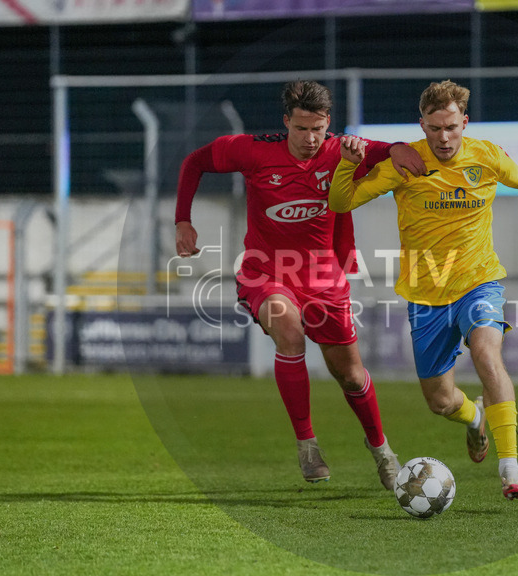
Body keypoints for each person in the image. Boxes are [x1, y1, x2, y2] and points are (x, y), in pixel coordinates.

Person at [329, 80, 518, 500]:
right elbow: (341, 203)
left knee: (486, 352)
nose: (444, 138)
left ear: (465, 122)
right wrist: (345, 164)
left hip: (478, 281)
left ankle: (510, 469)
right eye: (434, 128)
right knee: (441, 401)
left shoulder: (486, 156)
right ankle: (474, 417)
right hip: (425, 296)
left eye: (451, 127)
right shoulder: (405, 161)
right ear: (422, 124)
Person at [173, 80, 427, 489]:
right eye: (301, 129)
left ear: (329, 124)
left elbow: (387, 149)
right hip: (266, 272)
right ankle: (307, 445)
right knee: (288, 331)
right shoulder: (253, 150)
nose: (310, 139)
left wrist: (397, 147)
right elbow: (195, 161)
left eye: (318, 129)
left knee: (351, 375)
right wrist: (183, 219)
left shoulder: (342, 149)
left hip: (324, 278)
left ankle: (381, 449)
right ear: (286, 122)